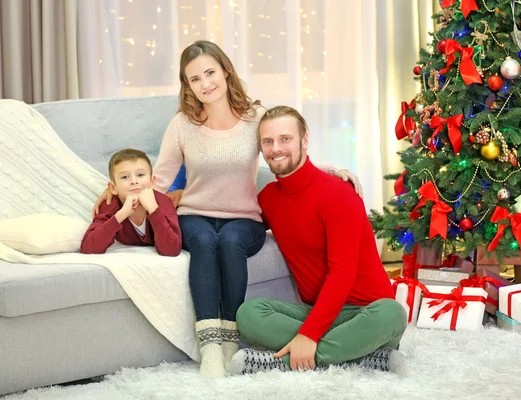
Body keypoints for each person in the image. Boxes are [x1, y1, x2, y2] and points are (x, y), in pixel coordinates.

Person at [92, 41, 363, 378]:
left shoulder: (256, 118)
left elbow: (283, 152)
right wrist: (117, 193)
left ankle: (231, 340)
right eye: (194, 79)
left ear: (225, 71)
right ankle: (209, 346)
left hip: (244, 218)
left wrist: (334, 170)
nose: (205, 83)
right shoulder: (182, 124)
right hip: (194, 214)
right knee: (205, 242)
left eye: (209, 72)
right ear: (187, 85)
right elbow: (158, 178)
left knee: (231, 240)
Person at [230, 106, 407, 375]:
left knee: (393, 314)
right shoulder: (269, 198)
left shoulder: (339, 194)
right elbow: (233, 214)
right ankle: (361, 356)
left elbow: (342, 273)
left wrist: (309, 336)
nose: (276, 148)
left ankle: (281, 362)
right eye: (268, 141)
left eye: (285, 139)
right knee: (249, 314)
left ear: (305, 140)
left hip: (366, 313)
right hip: (317, 311)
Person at [82, 148, 181, 256]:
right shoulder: (109, 204)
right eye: (125, 177)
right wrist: (121, 214)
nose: (134, 181)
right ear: (113, 187)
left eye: (140, 175)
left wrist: (153, 210)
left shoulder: (164, 202)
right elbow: (88, 247)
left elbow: (172, 250)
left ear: (152, 182)